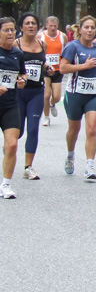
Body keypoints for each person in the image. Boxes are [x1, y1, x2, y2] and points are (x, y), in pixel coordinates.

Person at [61, 16, 96, 180]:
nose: (90, 30)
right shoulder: (72, 47)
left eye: (92, 28)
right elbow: (63, 68)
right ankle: (70, 155)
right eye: (87, 27)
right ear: (80, 29)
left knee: (92, 129)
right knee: (74, 129)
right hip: (75, 94)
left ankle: (89, 166)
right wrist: (84, 66)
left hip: (94, 93)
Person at [14, 13, 54, 181]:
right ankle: (9, 148)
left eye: (34, 23)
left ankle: (28, 167)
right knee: (18, 131)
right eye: (27, 23)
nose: (31, 26)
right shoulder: (15, 45)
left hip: (36, 92)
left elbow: (40, 62)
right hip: (18, 92)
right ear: (21, 27)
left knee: (32, 129)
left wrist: (47, 67)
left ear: (38, 27)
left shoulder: (41, 44)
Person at [0, 17, 28, 199]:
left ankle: (6, 185)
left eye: (12, 30)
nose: (11, 34)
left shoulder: (18, 54)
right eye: (6, 30)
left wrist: (23, 81)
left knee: (12, 145)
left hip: (10, 104)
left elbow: (23, 73)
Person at [38, 16, 68, 126]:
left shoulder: (62, 36)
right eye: (50, 26)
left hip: (57, 69)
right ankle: (46, 117)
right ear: (46, 26)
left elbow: (67, 51)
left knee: (57, 96)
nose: (53, 28)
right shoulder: (40, 36)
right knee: (46, 95)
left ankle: (52, 103)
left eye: (55, 26)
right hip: (45, 69)